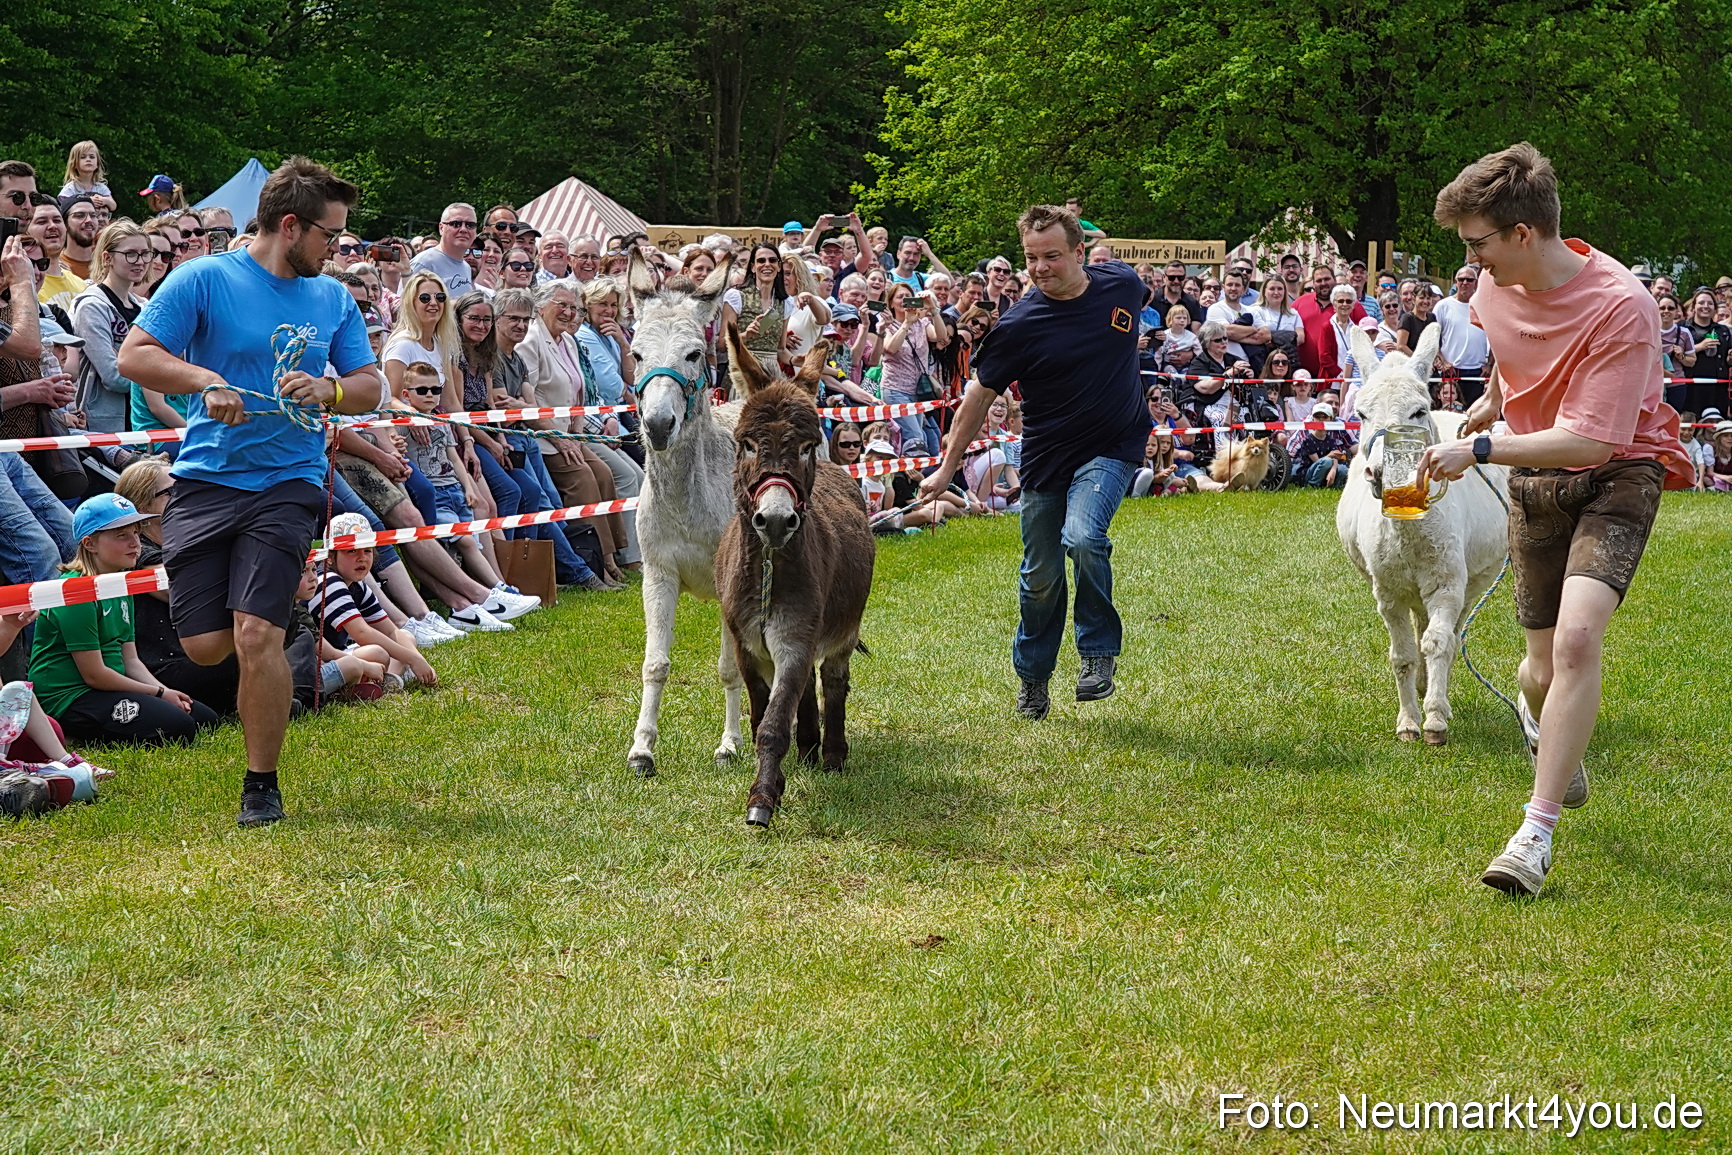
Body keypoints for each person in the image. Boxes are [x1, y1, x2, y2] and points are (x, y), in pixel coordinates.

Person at [1422, 141, 1693, 897]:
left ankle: (1532, 836)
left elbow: (1593, 438)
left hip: (1617, 471)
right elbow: (1513, 354)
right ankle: (1552, 738)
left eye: (1478, 245)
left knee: (1578, 639)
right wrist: (1493, 399)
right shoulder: (1489, 291)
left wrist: (1477, 444)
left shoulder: (1622, 306)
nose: (1470, 266)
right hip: (1537, 477)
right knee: (1538, 670)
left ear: (1522, 235)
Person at [117, 156, 387, 827]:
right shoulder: (204, 278)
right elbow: (134, 355)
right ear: (289, 226)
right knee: (208, 644)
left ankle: (260, 783)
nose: (338, 248)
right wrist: (204, 378)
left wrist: (329, 388)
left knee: (256, 633)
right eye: (330, 235)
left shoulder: (332, 298)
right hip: (206, 480)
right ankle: (265, 627)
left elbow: (370, 384)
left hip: (288, 482)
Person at [920, 205, 1149, 718]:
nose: (1040, 268)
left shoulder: (1123, 285)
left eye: (1051, 256)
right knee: (1040, 575)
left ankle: (1097, 655)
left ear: (1079, 253)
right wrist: (944, 467)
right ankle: (1034, 678)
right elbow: (977, 398)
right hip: (1047, 455)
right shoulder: (1020, 325)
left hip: (1112, 444)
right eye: (1030, 258)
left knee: (1085, 537)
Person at [28, 493, 221, 745]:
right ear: (89, 544)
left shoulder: (120, 582)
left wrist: (164, 692)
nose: (135, 543)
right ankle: (74, 732)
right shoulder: (76, 591)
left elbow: (129, 659)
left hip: (106, 686)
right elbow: (94, 675)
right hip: (70, 697)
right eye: (122, 535)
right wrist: (159, 693)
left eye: (136, 533)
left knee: (207, 720)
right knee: (180, 728)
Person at [307, 513, 438, 692]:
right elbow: (362, 633)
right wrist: (413, 660)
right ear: (330, 556)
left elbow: (391, 630)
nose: (362, 558)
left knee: (406, 637)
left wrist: (418, 660)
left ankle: (388, 681)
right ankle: (381, 681)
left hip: (340, 653)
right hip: (319, 661)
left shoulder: (358, 586)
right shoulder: (327, 582)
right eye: (351, 551)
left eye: (367, 550)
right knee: (377, 653)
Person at [73, 220, 168, 440]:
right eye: (131, 254)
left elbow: (167, 357)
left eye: (146, 253)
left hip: (145, 422)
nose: (141, 261)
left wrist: (139, 365)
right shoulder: (91, 306)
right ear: (107, 258)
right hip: (105, 423)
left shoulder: (144, 306)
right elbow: (113, 375)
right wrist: (159, 373)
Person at [878, 282, 949, 456]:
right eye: (900, 297)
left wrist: (933, 310)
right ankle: (911, 478)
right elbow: (890, 348)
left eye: (907, 297)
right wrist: (907, 324)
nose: (904, 301)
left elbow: (940, 336)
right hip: (895, 389)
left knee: (919, 439)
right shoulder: (887, 324)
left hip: (919, 390)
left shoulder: (922, 323)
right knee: (915, 437)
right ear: (892, 302)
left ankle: (912, 477)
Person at [1293, 264, 1364, 382]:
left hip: (1340, 375)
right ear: (1313, 283)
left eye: (1327, 279)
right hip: (1304, 376)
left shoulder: (1350, 304)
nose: (1323, 283)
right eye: (1319, 280)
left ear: (1335, 280)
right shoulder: (1299, 303)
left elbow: (1367, 330)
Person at [1433, 265, 1490, 404]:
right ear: (1455, 281)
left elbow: (1496, 337)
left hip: (1478, 371)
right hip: (1451, 370)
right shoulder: (1443, 306)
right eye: (1461, 279)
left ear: (1476, 283)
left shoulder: (1486, 305)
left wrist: (1490, 364)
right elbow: (1433, 338)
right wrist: (1442, 361)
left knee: (1474, 412)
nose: (1465, 283)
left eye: (1469, 280)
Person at [1681, 289, 1731, 417]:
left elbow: (1728, 360)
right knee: (1689, 426)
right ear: (1693, 307)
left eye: (1710, 303)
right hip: (1690, 387)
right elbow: (1674, 354)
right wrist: (1699, 347)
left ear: (1714, 308)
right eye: (1701, 303)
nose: (1705, 306)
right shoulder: (1682, 328)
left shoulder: (1723, 330)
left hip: (1717, 388)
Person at [409, 202, 477, 296]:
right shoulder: (423, 263)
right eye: (456, 224)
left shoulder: (466, 267)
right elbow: (404, 305)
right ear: (441, 228)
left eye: (470, 225)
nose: (463, 229)